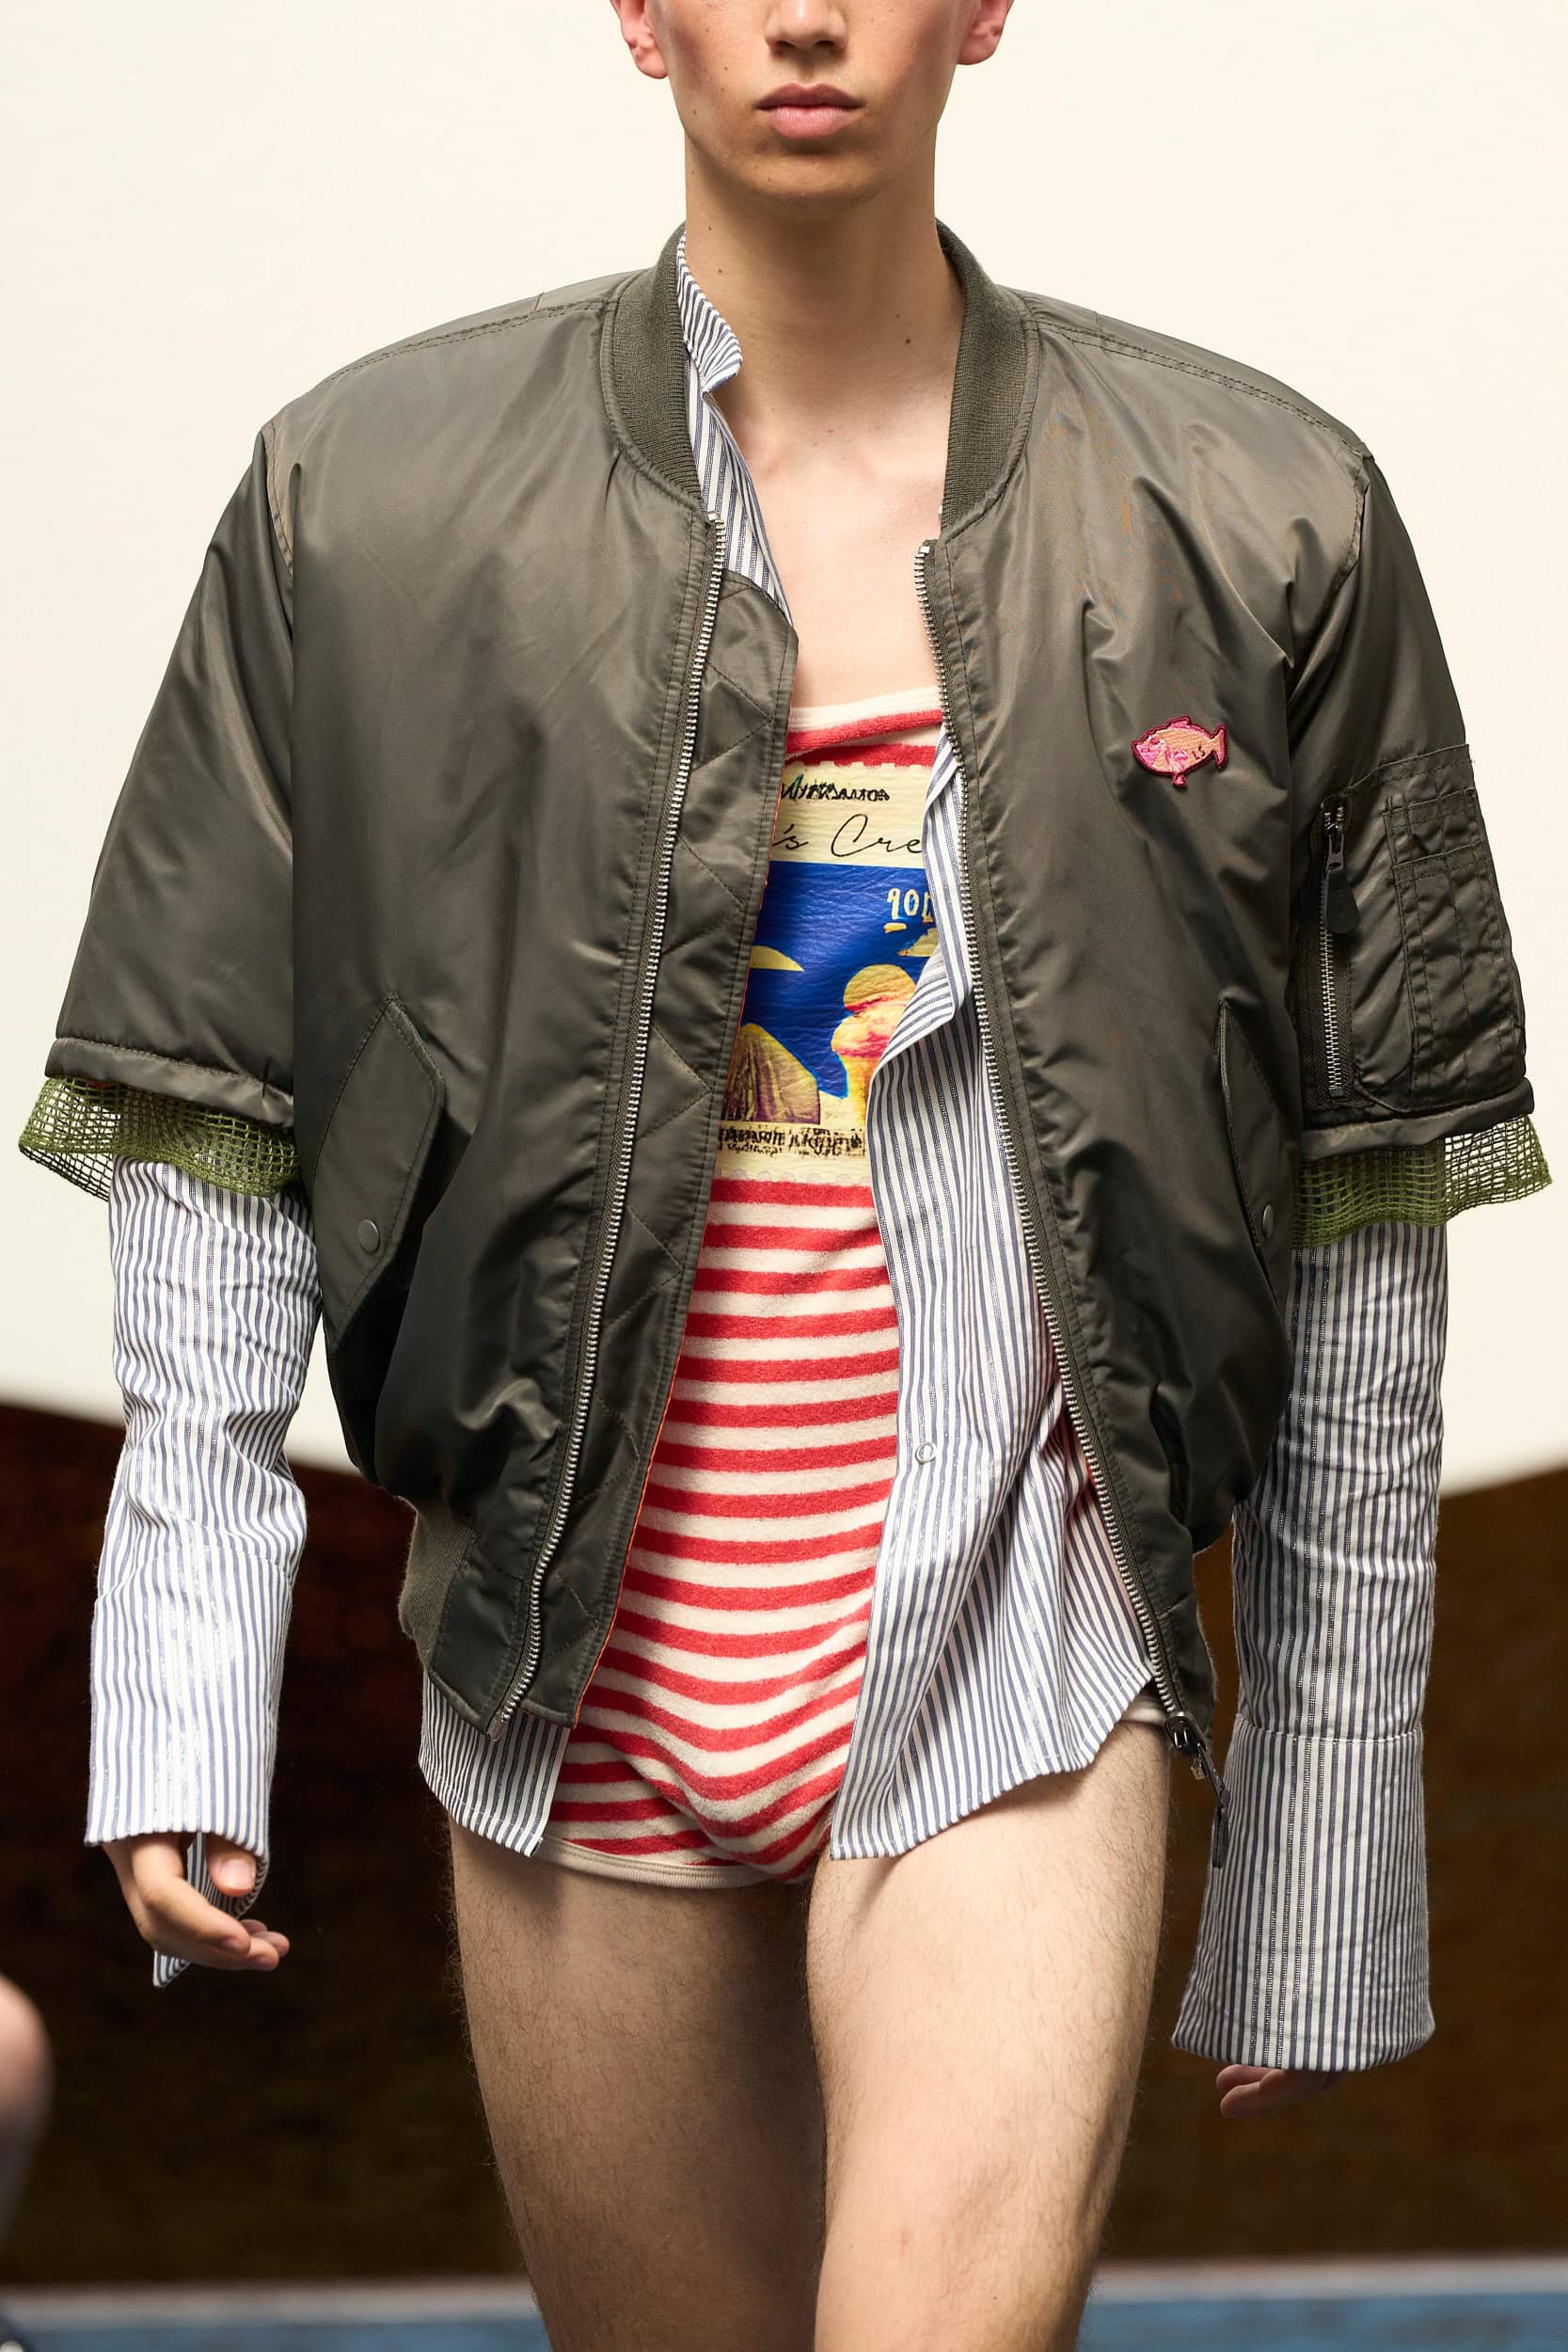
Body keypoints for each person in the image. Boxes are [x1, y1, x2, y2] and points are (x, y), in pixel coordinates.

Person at [17, 3, 1549, 2346]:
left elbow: (1366, 1195)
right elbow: (214, 1111)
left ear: (987, 7)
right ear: (638, 11)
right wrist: (186, 1688)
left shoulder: (1263, 509)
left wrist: (1322, 1840)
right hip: (574, 1672)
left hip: (1018, 1645)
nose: (808, 14)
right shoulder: (370, 499)